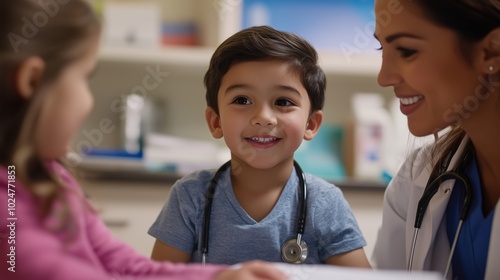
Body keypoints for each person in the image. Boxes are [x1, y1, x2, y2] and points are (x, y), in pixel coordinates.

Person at [0, 1, 287, 280]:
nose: (88, 100)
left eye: (283, 102)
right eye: (85, 78)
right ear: (32, 80)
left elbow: (122, 264)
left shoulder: (53, 176)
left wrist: (221, 275)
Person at [148, 25, 371, 267]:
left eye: (283, 101)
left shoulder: (325, 204)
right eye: (242, 100)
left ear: (311, 124)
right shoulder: (191, 197)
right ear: (215, 122)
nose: (263, 117)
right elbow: (159, 276)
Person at [372, 0, 500, 279]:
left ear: (492, 51)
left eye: (406, 51)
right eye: (382, 48)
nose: (383, 77)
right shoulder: (419, 176)